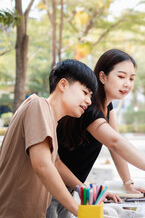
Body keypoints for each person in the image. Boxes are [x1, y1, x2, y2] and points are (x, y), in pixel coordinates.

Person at [47, 49, 145, 218]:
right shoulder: (89, 107)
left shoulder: (106, 105)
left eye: (131, 78)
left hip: (69, 187)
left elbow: (115, 146)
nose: (127, 83)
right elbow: (114, 142)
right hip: (51, 189)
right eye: (121, 77)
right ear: (103, 77)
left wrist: (128, 183)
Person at [0, 60, 97, 218]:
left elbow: (55, 163)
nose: (89, 101)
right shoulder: (38, 105)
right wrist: (81, 212)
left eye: (91, 96)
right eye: (85, 92)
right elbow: (42, 164)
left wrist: (88, 191)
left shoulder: (51, 120)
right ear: (63, 85)